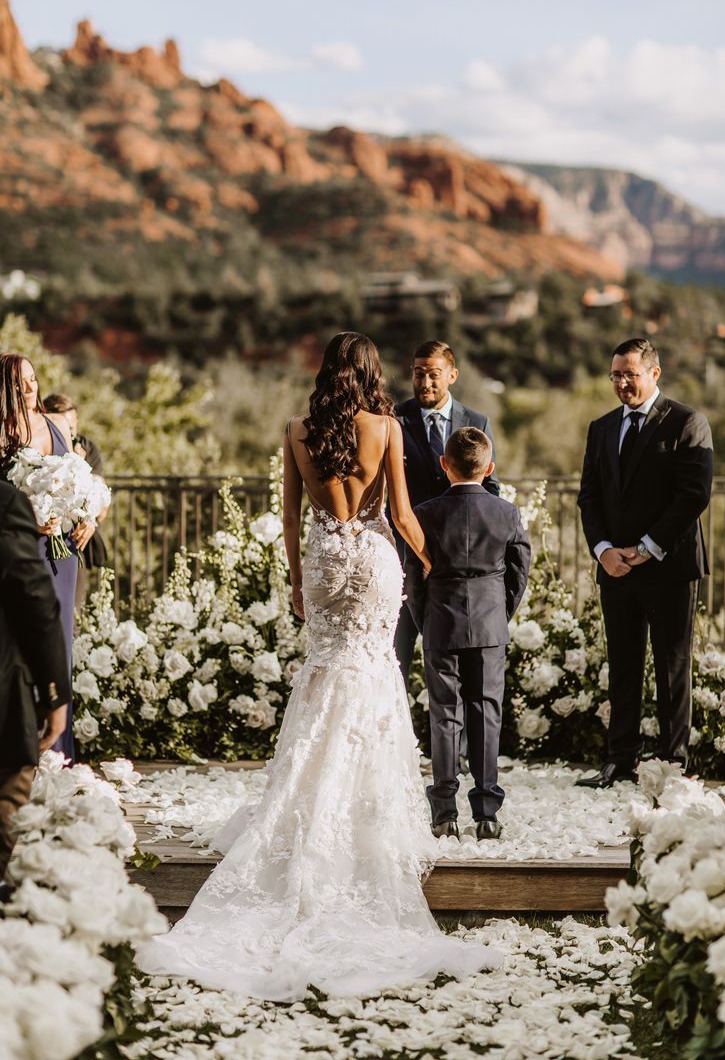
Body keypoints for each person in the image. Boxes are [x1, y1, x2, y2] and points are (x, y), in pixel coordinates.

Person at [138, 332, 502, 999]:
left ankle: (304, 801)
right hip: (370, 559)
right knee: (370, 679)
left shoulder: (296, 430)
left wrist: (300, 581)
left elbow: (286, 513)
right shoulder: (387, 426)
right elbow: (397, 514)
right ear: (369, 375)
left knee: (324, 678)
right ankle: (361, 816)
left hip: (324, 561)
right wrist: (437, 560)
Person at [576, 338, 713, 788]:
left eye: (629, 374)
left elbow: (693, 494)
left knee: (672, 669)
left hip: (670, 568)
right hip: (616, 568)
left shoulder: (687, 422)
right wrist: (603, 551)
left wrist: (648, 546)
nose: (621, 383)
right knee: (623, 665)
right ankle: (620, 760)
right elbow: (589, 498)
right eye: (615, 374)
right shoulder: (600, 428)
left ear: (654, 373)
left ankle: (673, 764)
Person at [404, 428, 530, 841]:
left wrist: (426, 621)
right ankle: (487, 813)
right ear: (489, 468)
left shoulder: (424, 513)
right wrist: (500, 614)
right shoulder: (507, 513)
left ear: (444, 464)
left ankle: (444, 813)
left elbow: (413, 580)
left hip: (441, 622)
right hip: (491, 625)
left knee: (444, 716)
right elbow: (518, 573)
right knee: (486, 713)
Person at [0, 355, 96, 763]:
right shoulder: (1, 434)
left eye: (33, 380)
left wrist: (87, 516)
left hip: (63, 552)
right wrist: (30, 519)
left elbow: (84, 480)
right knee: (23, 647)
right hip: (21, 551)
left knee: (60, 645)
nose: (29, 388)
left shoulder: (56, 426)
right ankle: (22, 751)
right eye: (19, 382)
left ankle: (60, 753)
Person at [393, 340, 500, 690]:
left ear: (452, 375)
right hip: (406, 559)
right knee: (397, 660)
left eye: (433, 375)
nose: (425, 383)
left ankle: (457, 744)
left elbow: (490, 489)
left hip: (458, 567)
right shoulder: (394, 420)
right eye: (418, 374)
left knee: (460, 672)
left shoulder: (476, 421)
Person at [0, 481, 71, 883]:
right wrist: (54, 695)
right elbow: (36, 603)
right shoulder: (6, 503)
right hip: (4, 709)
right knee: (9, 794)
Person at [43, 393, 109, 608]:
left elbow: (102, 509)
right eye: (63, 428)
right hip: (43, 535)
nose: (69, 434)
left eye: (72, 428)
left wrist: (80, 469)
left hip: (74, 540)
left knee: (73, 609)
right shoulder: (40, 444)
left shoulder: (87, 448)